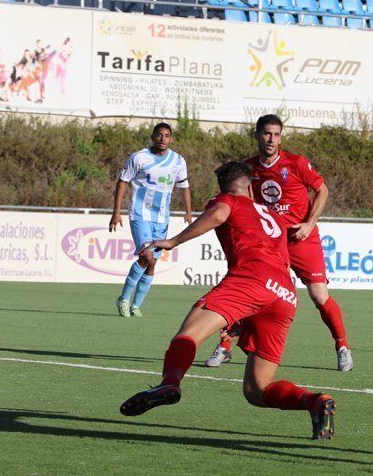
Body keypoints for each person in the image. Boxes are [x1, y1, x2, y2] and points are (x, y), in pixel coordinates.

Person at [120, 161, 336, 440]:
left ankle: (170, 383)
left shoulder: (228, 201)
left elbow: (220, 214)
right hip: (284, 294)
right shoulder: (272, 215)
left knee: (188, 335)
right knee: (256, 390)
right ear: (250, 185)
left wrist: (172, 241)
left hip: (250, 280)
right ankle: (315, 401)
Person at [203, 115, 353, 371]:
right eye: (266, 134)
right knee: (250, 289)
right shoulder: (248, 169)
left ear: (281, 137)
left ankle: (342, 346)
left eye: (276, 134)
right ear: (257, 135)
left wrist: (309, 224)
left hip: (301, 239)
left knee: (319, 296)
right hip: (271, 242)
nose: (271, 139)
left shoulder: (296, 163)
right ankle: (226, 347)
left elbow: (322, 190)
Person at [110, 123, 192, 317]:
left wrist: (189, 211)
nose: (163, 138)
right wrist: (116, 211)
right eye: (159, 135)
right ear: (153, 137)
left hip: (162, 217)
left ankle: (136, 305)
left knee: (152, 262)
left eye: (167, 135)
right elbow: (122, 182)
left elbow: (184, 185)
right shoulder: (139, 158)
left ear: (171, 139)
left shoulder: (178, 161)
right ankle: (123, 298)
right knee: (146, 256)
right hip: (140, 214)